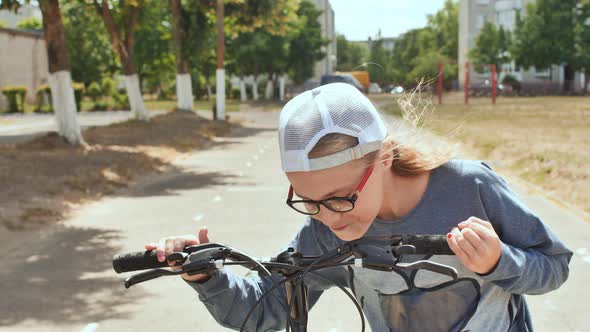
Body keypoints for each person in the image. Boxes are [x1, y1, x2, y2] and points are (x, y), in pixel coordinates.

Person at [145, 83, 572, 331]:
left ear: (384, 158)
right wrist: (207, 277)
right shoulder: (323, 232)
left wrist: (500, 260)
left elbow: (553, 267)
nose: (330, 217)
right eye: (308, 201)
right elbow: (264, 310)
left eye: (340, 197)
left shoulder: (468, 187)